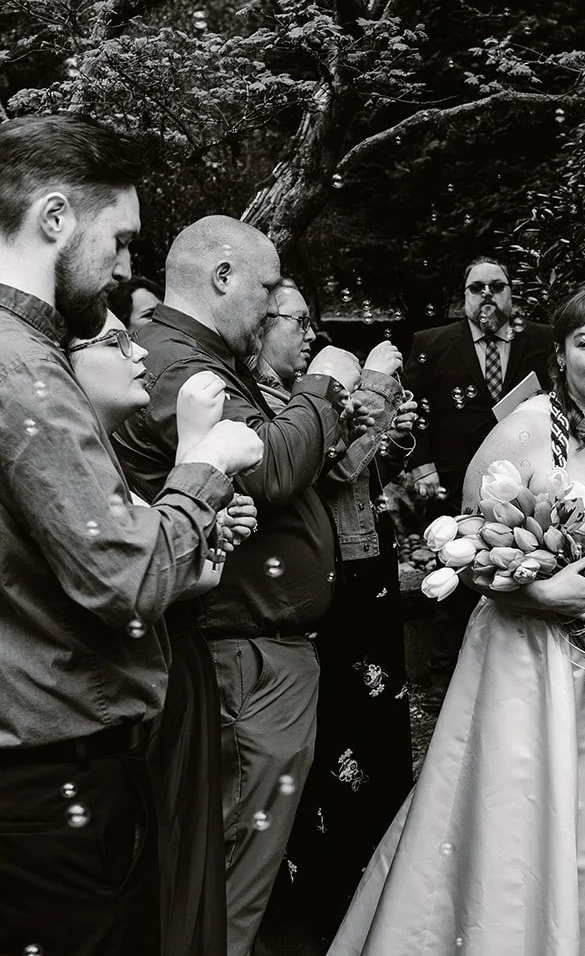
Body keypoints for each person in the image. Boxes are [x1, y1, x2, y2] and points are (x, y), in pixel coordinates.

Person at [0, 113, 259, 956]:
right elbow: (126, 583)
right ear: (55, 218)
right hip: (46, 808)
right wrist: (202, 465)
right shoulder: (22, 370)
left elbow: (17, 565)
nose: (128, 266)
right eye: (121, 238)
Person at [330, 283, 585, 956]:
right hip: (534, 663)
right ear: (559, 353)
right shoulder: (527, 426)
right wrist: (543, 597)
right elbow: (464, 548)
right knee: (527, 816)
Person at [113, 215, 359, 956]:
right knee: (229, 867)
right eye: (264, 287)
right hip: (238, 654)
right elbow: (276, 466)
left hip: (251, 647)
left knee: (233, 863)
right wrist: (330, 385)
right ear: (222, 277)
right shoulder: (179, 363)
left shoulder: (202, 354)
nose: (271, 303)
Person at [69, 309, 260, 956]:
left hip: (175, 669)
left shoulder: (105, 458)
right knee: (159, 861)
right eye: (116, 340)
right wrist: (195, 457)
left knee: (182, 847)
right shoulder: (72, 467)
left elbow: (188, 568)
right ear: (64, 361)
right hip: (138, 689)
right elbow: (145, 580)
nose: (139, 351)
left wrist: (211, 524)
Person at [253, 281, 417, 942]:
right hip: (335, 599)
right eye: (296, 320)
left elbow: (357, 469)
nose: (309, 333)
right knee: (344, 750)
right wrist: (375, 391)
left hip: (367, 583)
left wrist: (388, 434)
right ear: (258, 324)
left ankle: (380, 894)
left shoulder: (305, 392)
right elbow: (325, 470)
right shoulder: (270, 402)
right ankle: (337, 907)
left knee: (377, 742)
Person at [404, 256, 552, 700]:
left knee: (523, 571)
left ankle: (517, 679)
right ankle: (443, 678)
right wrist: (420, 461)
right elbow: (411, 408)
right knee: (454, 578)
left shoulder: (543, 340)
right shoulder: (431, 342)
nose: (487, 294)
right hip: (452, 481)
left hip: (522, 486)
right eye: (476, 287)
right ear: (463, 296)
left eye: (497, 285)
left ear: (511, 293)